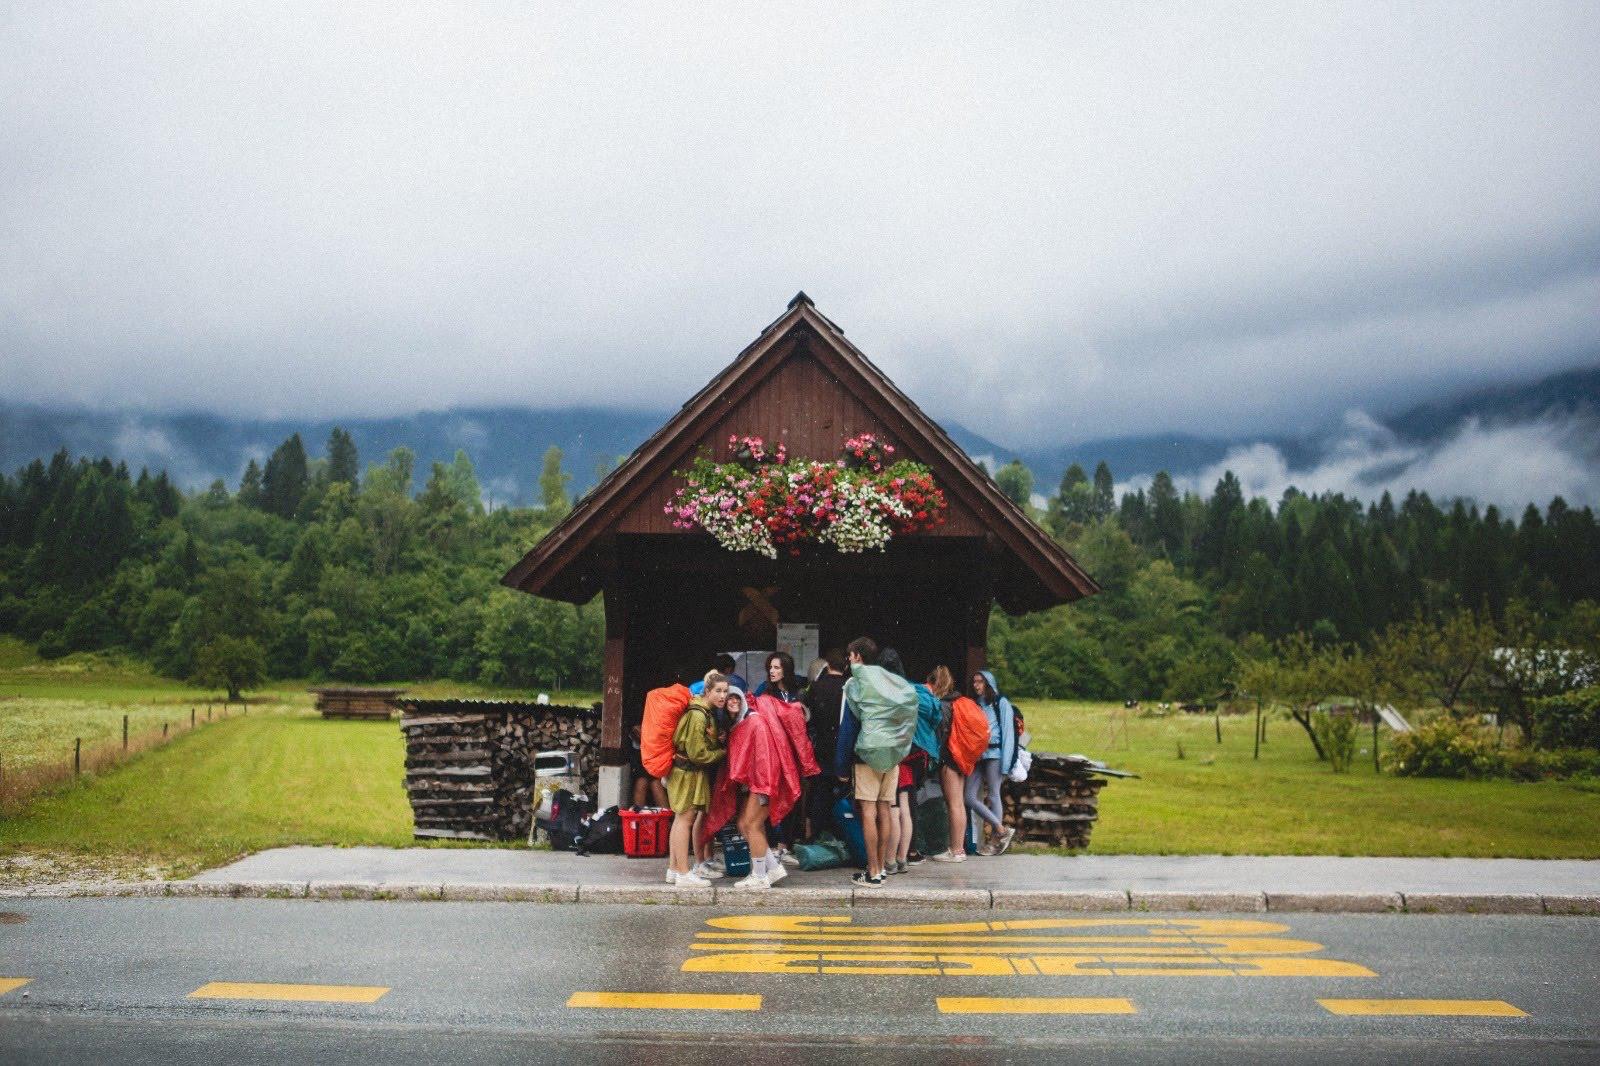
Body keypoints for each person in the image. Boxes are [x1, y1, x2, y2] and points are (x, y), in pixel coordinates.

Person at [702, 691, 820, 888]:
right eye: (728, 697)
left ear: (742, 698)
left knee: (752, 825)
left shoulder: (754, 722)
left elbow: (766, 756)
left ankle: (759, 876)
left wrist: (763, 786)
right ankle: (773, 869)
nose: (732, 700)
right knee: (743, 823)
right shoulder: (742, 722)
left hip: (765, 783)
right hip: (761, 783)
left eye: (735, 696)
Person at [836, 636, 918, 887]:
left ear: (857, 657)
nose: (848, 660)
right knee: (885, 809)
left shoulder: (855, 683)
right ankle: (881, 867)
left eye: (850, 656)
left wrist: (841, 765)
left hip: (867, 754)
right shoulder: (890, 681)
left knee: (868, 812)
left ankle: (871, 872)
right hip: (892, 754)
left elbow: (848, 726)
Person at [666, 672, 729, 886]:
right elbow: (697, 753)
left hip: (687, 772)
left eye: (725, 691)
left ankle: (674, 869)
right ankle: (684, 873)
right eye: (718, 691)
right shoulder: (699, 715)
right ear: (708, 691)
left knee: (680, 820)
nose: (723, 695)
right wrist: (722, 752)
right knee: (685, 820)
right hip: (688, 773)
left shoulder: (703, 712)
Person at [965, 669, 1018, 856]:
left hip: (995, 754)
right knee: (969, 796)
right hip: (978, 755)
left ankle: (996, 840)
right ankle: (1001, 829)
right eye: (974, 681)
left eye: (980, 682)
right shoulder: (975, 704)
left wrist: (1007, 763)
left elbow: (1008, 733)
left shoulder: (1001, 703)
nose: (976, 685)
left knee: (994, 795)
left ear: (989, 684)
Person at [801, 648, 848, 841]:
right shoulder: (849, 687)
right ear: (845, 667)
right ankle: (842, 835)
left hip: (820, 746)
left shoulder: (815, 688)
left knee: (820, 791)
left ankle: (816, 835)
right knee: (843, 792)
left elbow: (808, 719)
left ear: (827, 666)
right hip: (843, 746)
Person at [925, 666, 969, 863]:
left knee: (953, 804)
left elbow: (941, 736)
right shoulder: (958, 701)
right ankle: (959, 849)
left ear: (934, 683)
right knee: (959, 802)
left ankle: (956, 850)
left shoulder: (943, 705)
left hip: (949, 759)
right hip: (961, 758)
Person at [627, 722, 668, 809]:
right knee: (648, 780)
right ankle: (666, 817)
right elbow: (637, 730)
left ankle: (638, 817)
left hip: (653, 748)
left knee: (649, 781)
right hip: (648, 749)